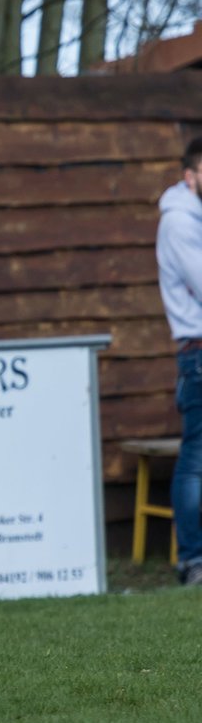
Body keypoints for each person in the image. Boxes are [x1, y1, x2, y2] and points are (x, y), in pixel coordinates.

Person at [157, 137, 202, 585]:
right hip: (199, 354)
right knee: (196, 460)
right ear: (190, 176)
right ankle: (193, 561)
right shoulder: (179, 223)